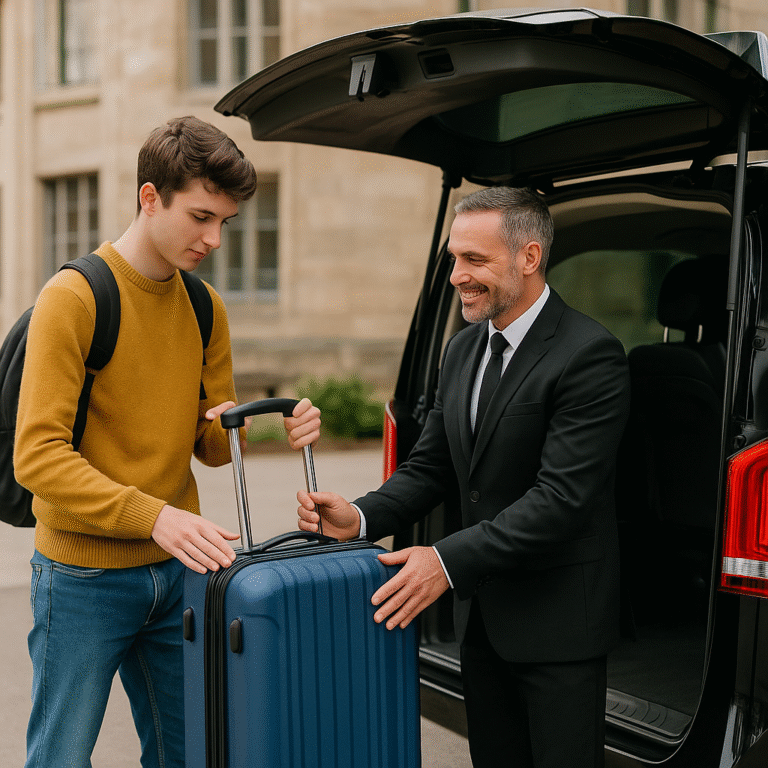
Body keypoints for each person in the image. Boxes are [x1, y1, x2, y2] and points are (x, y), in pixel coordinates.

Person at [14, 115, 321, 768]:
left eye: (224, 223)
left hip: (177, 574)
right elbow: (37, 456)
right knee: (60, 759)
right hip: (80, 577)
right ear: (149, 197)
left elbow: (207, 446)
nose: (213, 239)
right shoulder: (73, 298)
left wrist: (269, 420)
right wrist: (155, 517)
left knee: (193, 755)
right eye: (201, 216)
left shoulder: (206, 308)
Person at [295, 187, 630, 768]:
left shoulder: (590, 354)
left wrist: (443, 561)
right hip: (483, 624)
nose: (457, 276)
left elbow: (560, 499)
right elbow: (433, 466)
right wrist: (361, 515)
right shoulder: (461, 349)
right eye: (454, 258)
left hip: (560, 630)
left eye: (475, 261)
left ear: (529, 258)